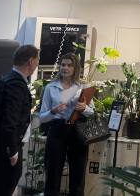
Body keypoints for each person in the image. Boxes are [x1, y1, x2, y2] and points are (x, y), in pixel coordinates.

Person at [0, 45, 39, 196]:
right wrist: (12, 151)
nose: (37, 64)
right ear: (30, 61)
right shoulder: (16, 85)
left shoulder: (6, 78)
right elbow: (9, 121)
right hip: (7, 149)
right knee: (2, 189)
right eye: (37, 60)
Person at [40, 53, 95, 196]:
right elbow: (42, 117)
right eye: (63, 65)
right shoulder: (50, 88)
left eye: (69, 65)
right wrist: (53, 111)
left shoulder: (82, 87)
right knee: (52, 172)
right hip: (57, 130)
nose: (65, 68)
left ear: (75, 68)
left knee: (78, 173)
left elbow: (92, 113)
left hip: (78, 130)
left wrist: (84, 108)